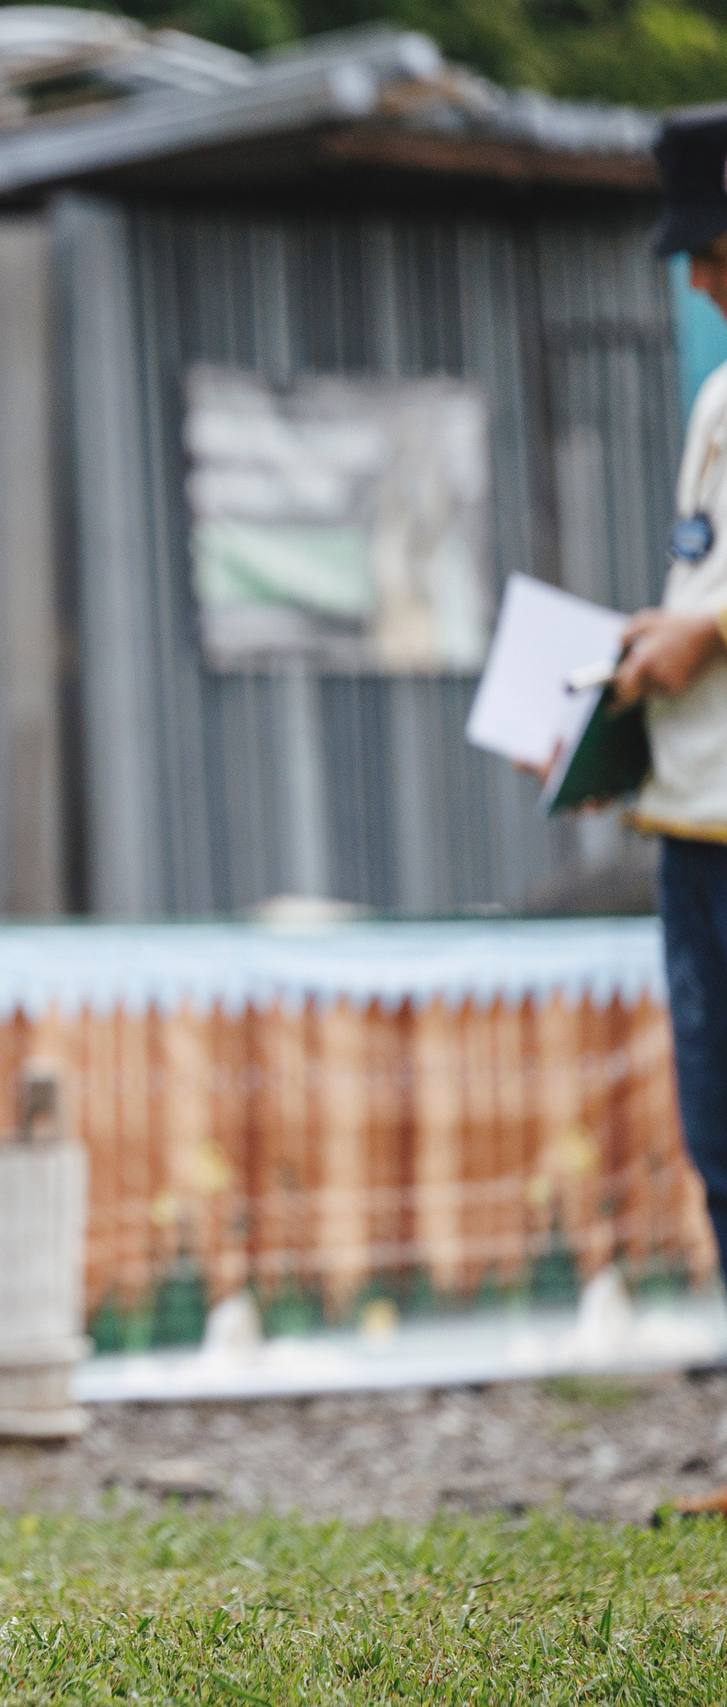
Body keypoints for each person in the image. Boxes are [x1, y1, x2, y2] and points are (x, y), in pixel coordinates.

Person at [629, 108, 727, 1311]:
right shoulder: (715, 402)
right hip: (693, 812)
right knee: (717, 1139)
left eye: (718, 246)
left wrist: (701, 631)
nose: (700, 273)